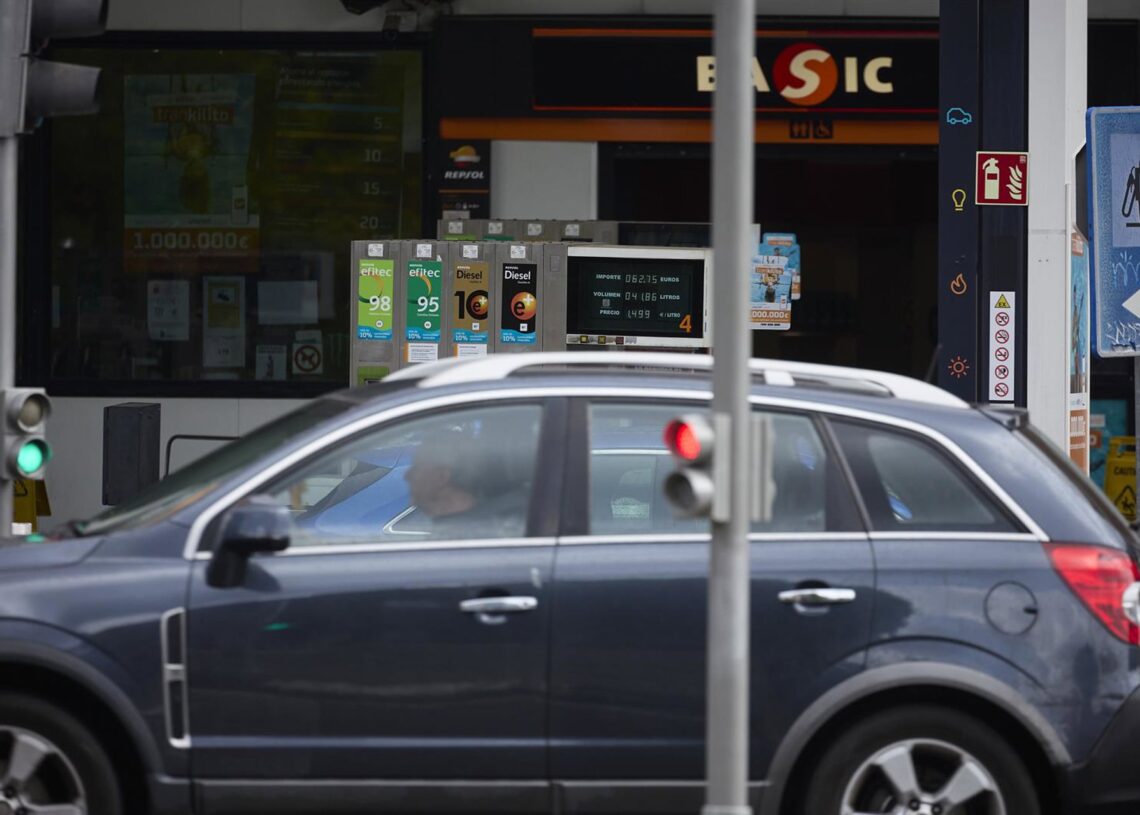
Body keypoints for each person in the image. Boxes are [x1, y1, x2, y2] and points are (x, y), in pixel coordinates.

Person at [403, 426, 529, 539]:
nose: (407, 476)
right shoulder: (490, 527)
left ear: (442, 477)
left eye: (416, 468)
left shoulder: (457, 539)